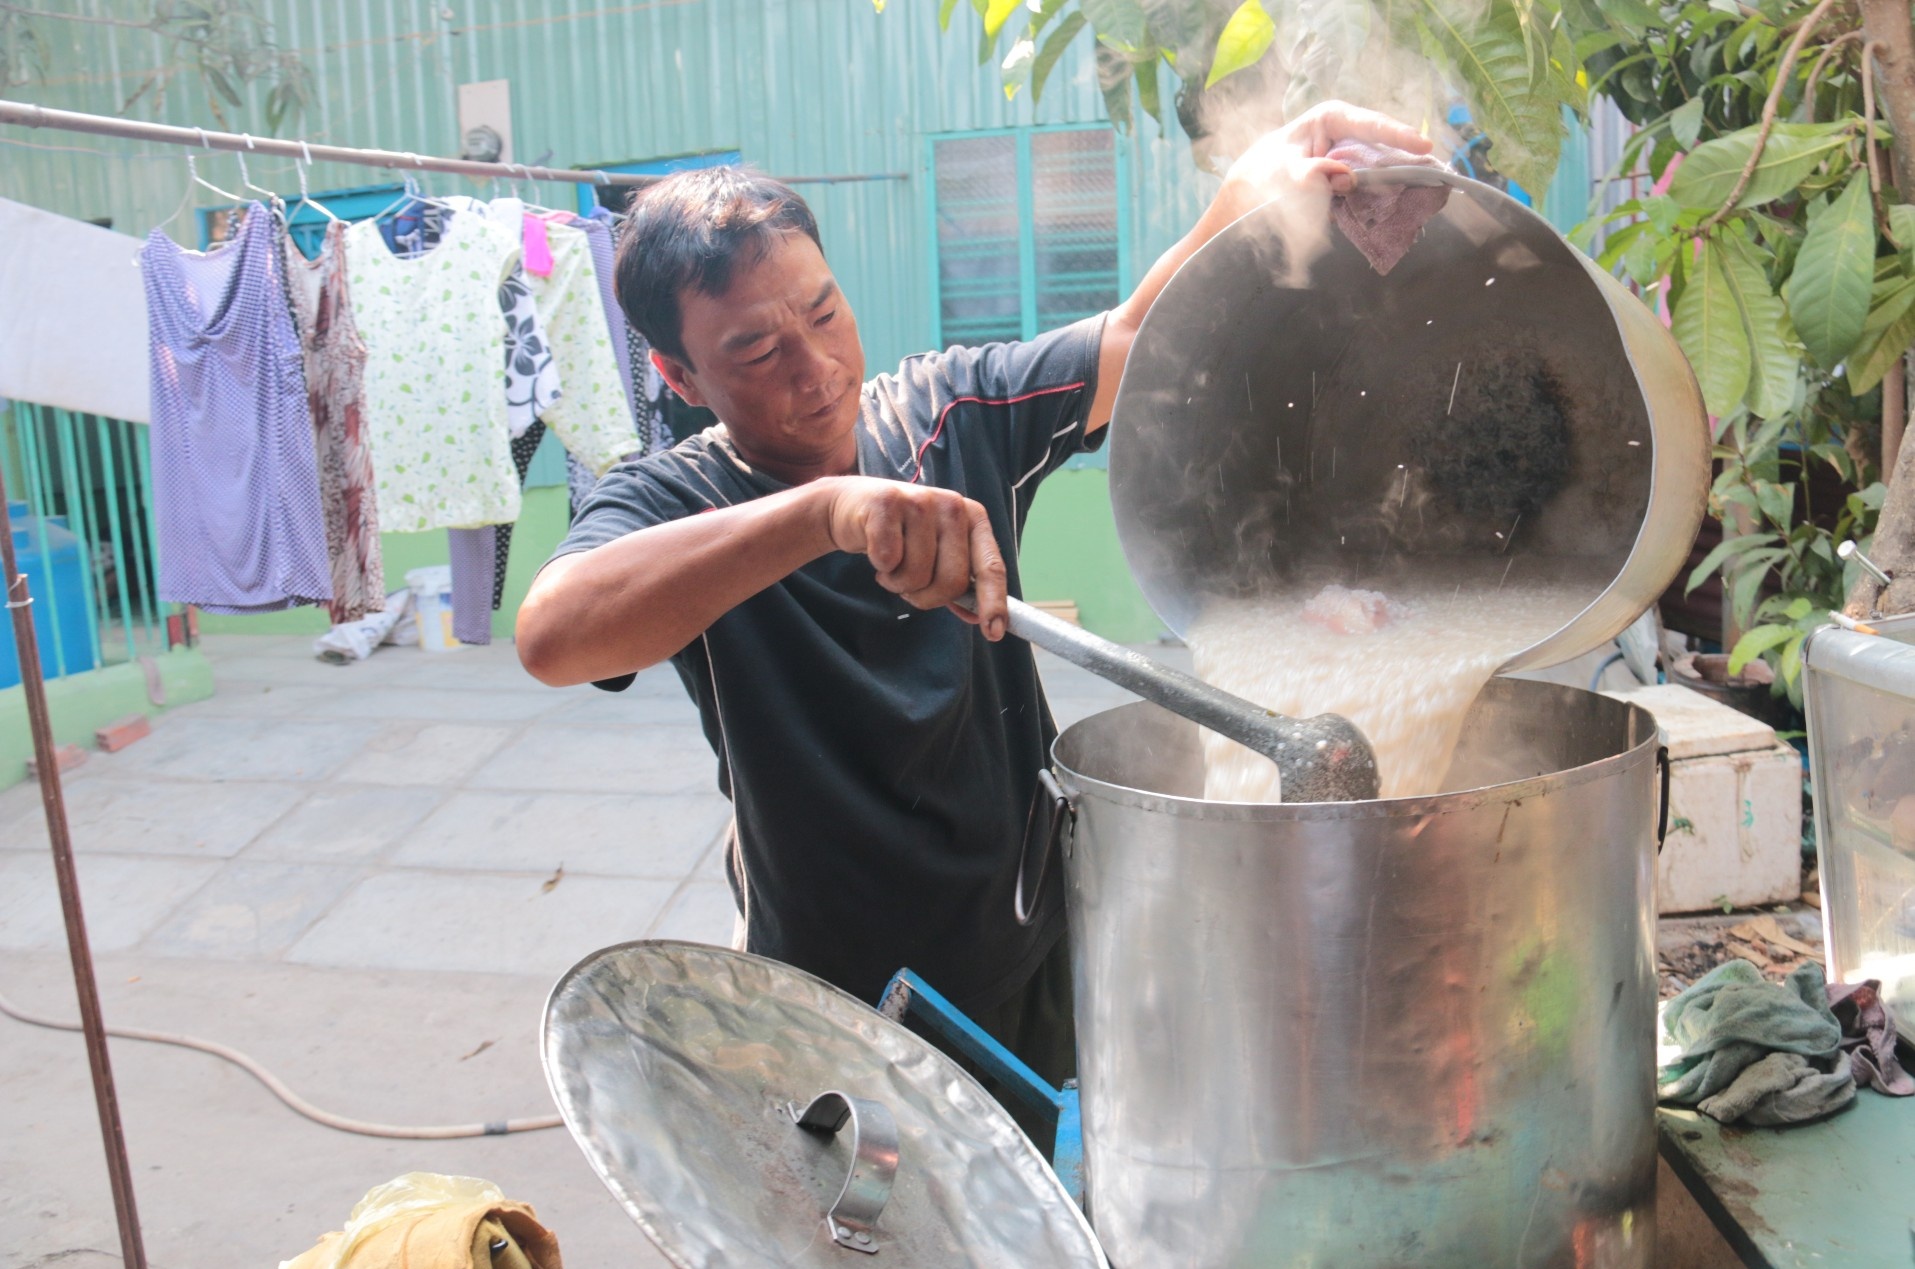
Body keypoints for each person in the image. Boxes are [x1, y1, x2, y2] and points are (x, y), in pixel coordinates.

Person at [517, 102, 1430, 1112]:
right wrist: (823, 514)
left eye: (823, 313)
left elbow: (1140, 334)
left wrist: (1252, 190)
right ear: (677, 374)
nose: (816, 369)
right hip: (834, 996)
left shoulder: (946, 416)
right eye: (755, 351)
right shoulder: (677, 501)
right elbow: (554, 634)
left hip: (1033, 944)